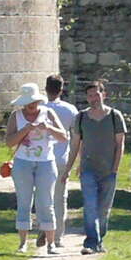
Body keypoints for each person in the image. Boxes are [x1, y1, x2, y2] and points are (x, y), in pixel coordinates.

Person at [7, 82, 71, 255]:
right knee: (24, 201)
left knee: (46, 202)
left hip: (46, 162)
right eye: (28, 102)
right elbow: (9, 142)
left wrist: (48, 127)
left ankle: (51, 244)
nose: (31, 106)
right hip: (22, 162)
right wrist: (25, 130)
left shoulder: (48, 112)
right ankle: (22, 243)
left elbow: (64, 137)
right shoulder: (16, 116)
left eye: (33, 102)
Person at [69, 79, 128, 255]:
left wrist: (115, 168)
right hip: (88, 169)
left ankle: (99, 239)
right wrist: (69, 169)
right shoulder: (81, 117)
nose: (93, 98)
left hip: (109, 170)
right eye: (89, 95)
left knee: (103, 209)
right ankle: (91, 242)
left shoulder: (114, 116)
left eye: (96, 94)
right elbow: (76, 145)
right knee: (90, 205)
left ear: (104, 94)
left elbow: (120, 144)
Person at [46, 75, 81, 247]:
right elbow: (77, 137)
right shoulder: (70, 110)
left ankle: (45, 229)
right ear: (61, 90)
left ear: (45, 89)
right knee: (60, 198)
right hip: (61, 158)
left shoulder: (39, 108)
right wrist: (79, 160)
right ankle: (58, 236)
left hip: (41, 157)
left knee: (43, 196)